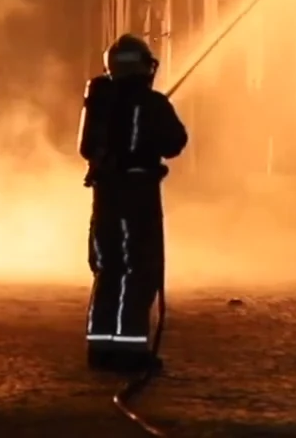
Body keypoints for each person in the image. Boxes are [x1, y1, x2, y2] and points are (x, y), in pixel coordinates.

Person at [79, 33, 187, 372]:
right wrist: (155, 111)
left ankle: (100, 349)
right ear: (142, 67)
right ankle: (131, 352)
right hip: (138, 198)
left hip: (106, 198)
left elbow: (88, 147)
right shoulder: (152, 104)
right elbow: (175, 142)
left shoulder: (98, 102)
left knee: (108, 271)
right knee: (139, 272)